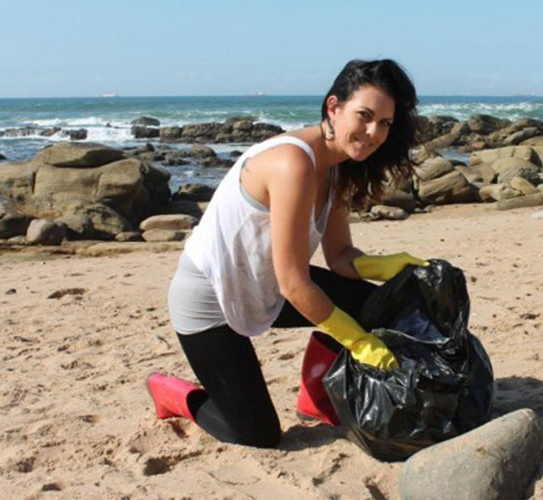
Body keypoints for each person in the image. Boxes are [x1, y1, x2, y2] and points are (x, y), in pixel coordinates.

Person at [147, 59, 428, 448]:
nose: (373, 132)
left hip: (269, 286)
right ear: (333, 107)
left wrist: (385, 266)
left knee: (382, 306)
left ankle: (316, 386)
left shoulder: (339, 166)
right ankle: (173, 395)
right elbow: (295, 283)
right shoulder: (292, 163)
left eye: (384, 123)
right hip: (210, 301)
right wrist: (358, 342)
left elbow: (340, 256)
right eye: (364, 116)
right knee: (256, 434)